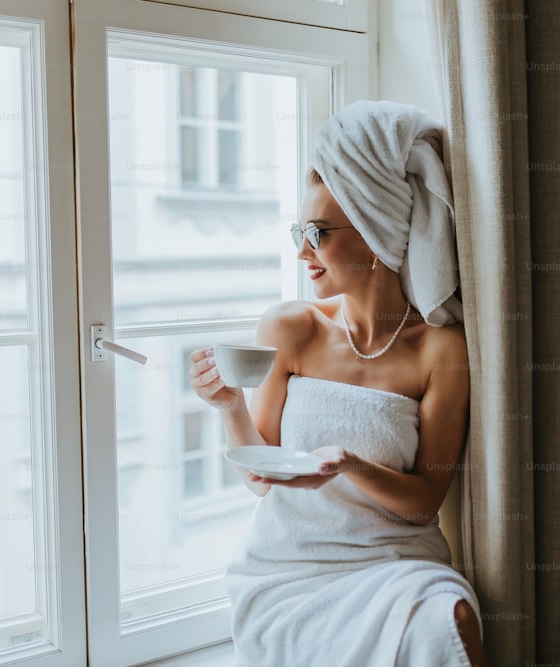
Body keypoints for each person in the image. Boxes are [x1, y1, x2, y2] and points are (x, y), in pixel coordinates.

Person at [189, 100, 486, 666]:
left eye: (318, 233)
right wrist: (229, 406)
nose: (302, 251)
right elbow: (262, 479)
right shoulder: (290, 328)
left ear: (375, 235)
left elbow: (425, 503)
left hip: (394, 566)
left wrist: (349, 463)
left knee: (454, 619)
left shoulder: (440, 350)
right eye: (299, 231)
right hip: (289, 570)